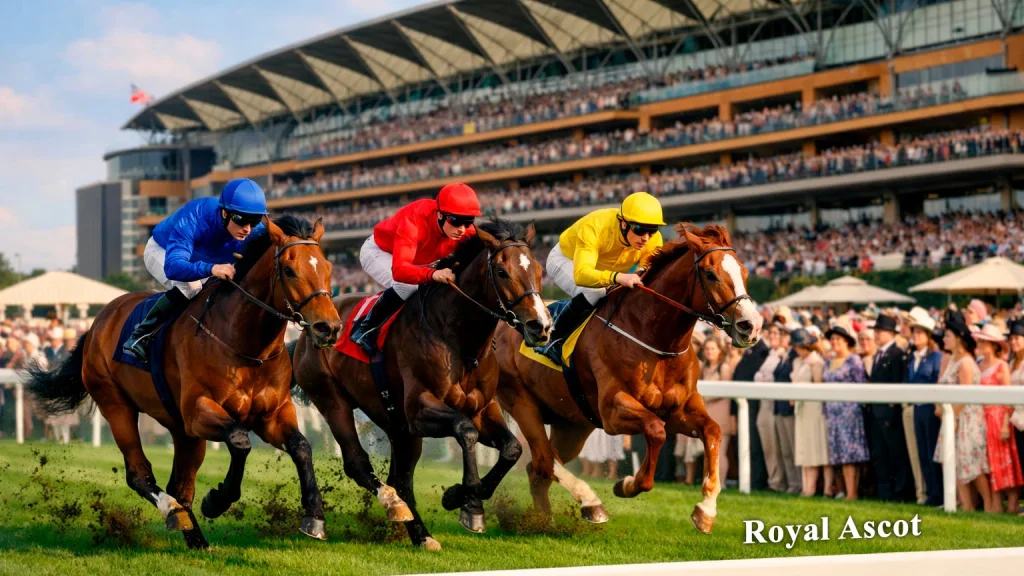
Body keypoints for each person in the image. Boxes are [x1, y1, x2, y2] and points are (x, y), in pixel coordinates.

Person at [123, 178, 268, 362]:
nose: (247, 229)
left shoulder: (254, 231)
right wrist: (211, 268)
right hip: (164, 251)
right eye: (241, 220)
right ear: (224, 213)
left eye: (254, 221)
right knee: (191, 287)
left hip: (203, 260)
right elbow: (173, 267)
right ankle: (141, 335)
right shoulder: (196, 216)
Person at [350, 183, 481, 354]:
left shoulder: (465, 230)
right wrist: (433, 274)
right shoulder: (414, 221)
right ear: (440, 214)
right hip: (379, 252)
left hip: (419, 259)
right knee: (408, 286)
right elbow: (400, 271)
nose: (462, 230)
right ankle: (365, 328)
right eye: (455, 221)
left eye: (468, 222)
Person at [540, 192, 664, 364]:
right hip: (566, 261)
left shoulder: (652, 239)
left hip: (604, 271)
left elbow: (648, 267)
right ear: (623, 222)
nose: (646, 238)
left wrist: (640, 271)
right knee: (595, 292)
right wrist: (618, 277)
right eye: (639, 230)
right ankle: (553, 339)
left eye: (652, 231)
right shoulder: (595, 226)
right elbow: (582, 275)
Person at [935, 308, 992, 512]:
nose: (944, 340)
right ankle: (966, 505)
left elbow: (966, 397)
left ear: (958, 338)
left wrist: (952, 417)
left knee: (974, 466)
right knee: (954, 463)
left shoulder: (966, 362)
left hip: (966, 419)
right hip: (953, 417)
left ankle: (989, 505)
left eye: (948, 336)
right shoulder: (951, 361)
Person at [974, 324, 1022, 513]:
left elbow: (1008, 397)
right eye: (979, 341)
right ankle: (995, 505)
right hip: (983, 418)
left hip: (999, 417)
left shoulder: (1002, 366)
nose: (980, 344)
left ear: (994, 345)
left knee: (1005, 461)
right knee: (990, 463)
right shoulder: (979, 365)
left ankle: (1011, 503)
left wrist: (1004, 424)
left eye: (984, 341)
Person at [866, 313, 913, 502]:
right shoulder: (879, 354)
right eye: (875, 331)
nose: (876, 335)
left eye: (879, 331)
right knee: (880, 453)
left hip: (888, 413)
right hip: (877, 411)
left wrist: (891, 412)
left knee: (895, 453)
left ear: (890, 333)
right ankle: (885, 491)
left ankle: (900, 491)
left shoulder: (897, 355)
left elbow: (896, 384)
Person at [823, 325, 870, 500]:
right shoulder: (828, 362)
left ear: (846, 342)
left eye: (838, 339)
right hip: (832, 413)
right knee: (837, 454)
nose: (834, 342)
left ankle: (852, 493)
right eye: (832, 339)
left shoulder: (854, 360)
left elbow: (861, 386)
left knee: (849, 454)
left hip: (849, 413)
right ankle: (842, 490)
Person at [905, 306, 945, 506]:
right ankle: (931, 493)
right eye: (914, 332)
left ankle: (938, 493)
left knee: (931, 451)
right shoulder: (913, 358)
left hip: (930, 408)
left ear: (928, 335)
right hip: (918, 408)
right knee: (922, 451)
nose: (915, 335)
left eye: (919, 332)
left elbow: (938, 381)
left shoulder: (936, 357)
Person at [790, 328, 831, 497]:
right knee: (804, 446)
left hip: (814, 409)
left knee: (817, 447)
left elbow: (819, 386)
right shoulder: (797, 362)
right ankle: (806, 487)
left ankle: (820, 488)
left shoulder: (816, 362)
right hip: (801, 408)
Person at [1007, 317, 1024, 515]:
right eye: (1011, 339)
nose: (1014, 342)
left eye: (1018, 338)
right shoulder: (1012, 362)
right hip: (1017, 420)